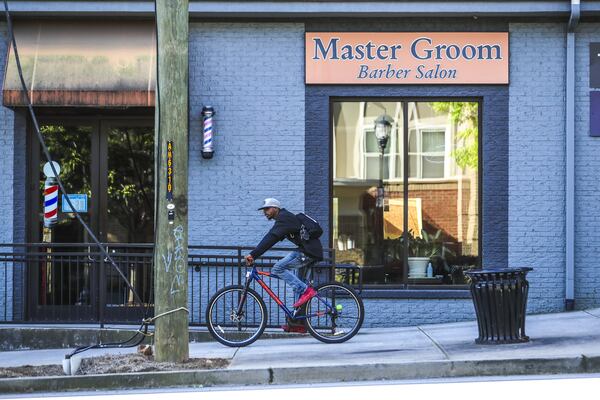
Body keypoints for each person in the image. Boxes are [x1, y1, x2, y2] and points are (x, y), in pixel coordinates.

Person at [245, 198, 324, 332]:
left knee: (278, 268)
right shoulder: (285, 220)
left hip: (307, 252)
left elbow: (271, 238)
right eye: (264, 210)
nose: (265, 212)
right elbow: (273, 238)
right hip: (309, 252)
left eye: (267, 209)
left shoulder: (284, 218)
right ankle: (298, 323)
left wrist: (253, 254)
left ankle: (307, 292)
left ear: (275, 208)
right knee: (299, 287)